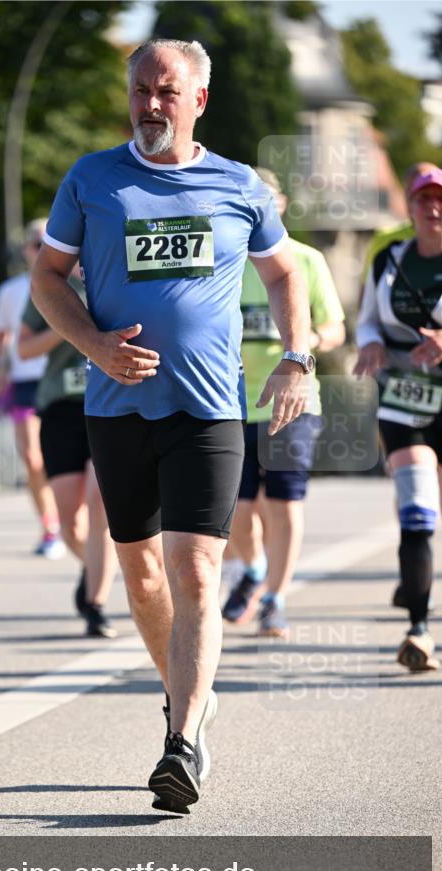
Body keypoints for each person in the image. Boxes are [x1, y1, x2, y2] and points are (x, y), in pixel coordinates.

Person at [31, 38, 313, 813]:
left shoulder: (238, 185)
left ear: (198, 101)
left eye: (166, 92)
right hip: (114, 408)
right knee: (142, 573)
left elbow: (285, 271)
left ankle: (180, 742)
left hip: (210, 406)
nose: (150, 104)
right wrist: (90, 343)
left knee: (193, 571)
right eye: (140, 91)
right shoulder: (91, 179)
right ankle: (184, 694)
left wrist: (298, 356)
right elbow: (47, 277)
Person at [222, 168, 346, 637]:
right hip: (234, 399)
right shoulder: (228, 258)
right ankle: (252, 569)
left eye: (266, 197)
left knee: (283, 501)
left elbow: (336, 328)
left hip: (292, 400)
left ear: (282, 203)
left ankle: (274, 597)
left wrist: (304, 340)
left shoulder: (306, 260)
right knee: (234, 507)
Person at [354, 165, 442, 671]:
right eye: (424, 200)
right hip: (406, 397)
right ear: (411, 208)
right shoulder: (389, 260)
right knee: (418, 509)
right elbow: (367, 318)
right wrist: (369, 341)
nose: (433, 209)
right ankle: (418, 627)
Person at [18, 268, 118, 639]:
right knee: (70, 522)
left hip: (109, 402)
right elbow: (22, 348)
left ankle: (96, 605)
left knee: (99, 506)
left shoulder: (118, 276)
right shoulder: (52, 286)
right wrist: (67, 327)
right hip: (61, 408)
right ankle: (93, 568)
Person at [0, 220, 64, 559]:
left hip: (64, 383)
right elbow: (1, 338)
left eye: (48, 241)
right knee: (33, 458)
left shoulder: (74, 282)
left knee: (64, 458)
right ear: (26, 249)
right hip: (25, 380)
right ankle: (50, 526)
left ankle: (72, 519)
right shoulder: (10, 291)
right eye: (36, 243)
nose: (41, 248)